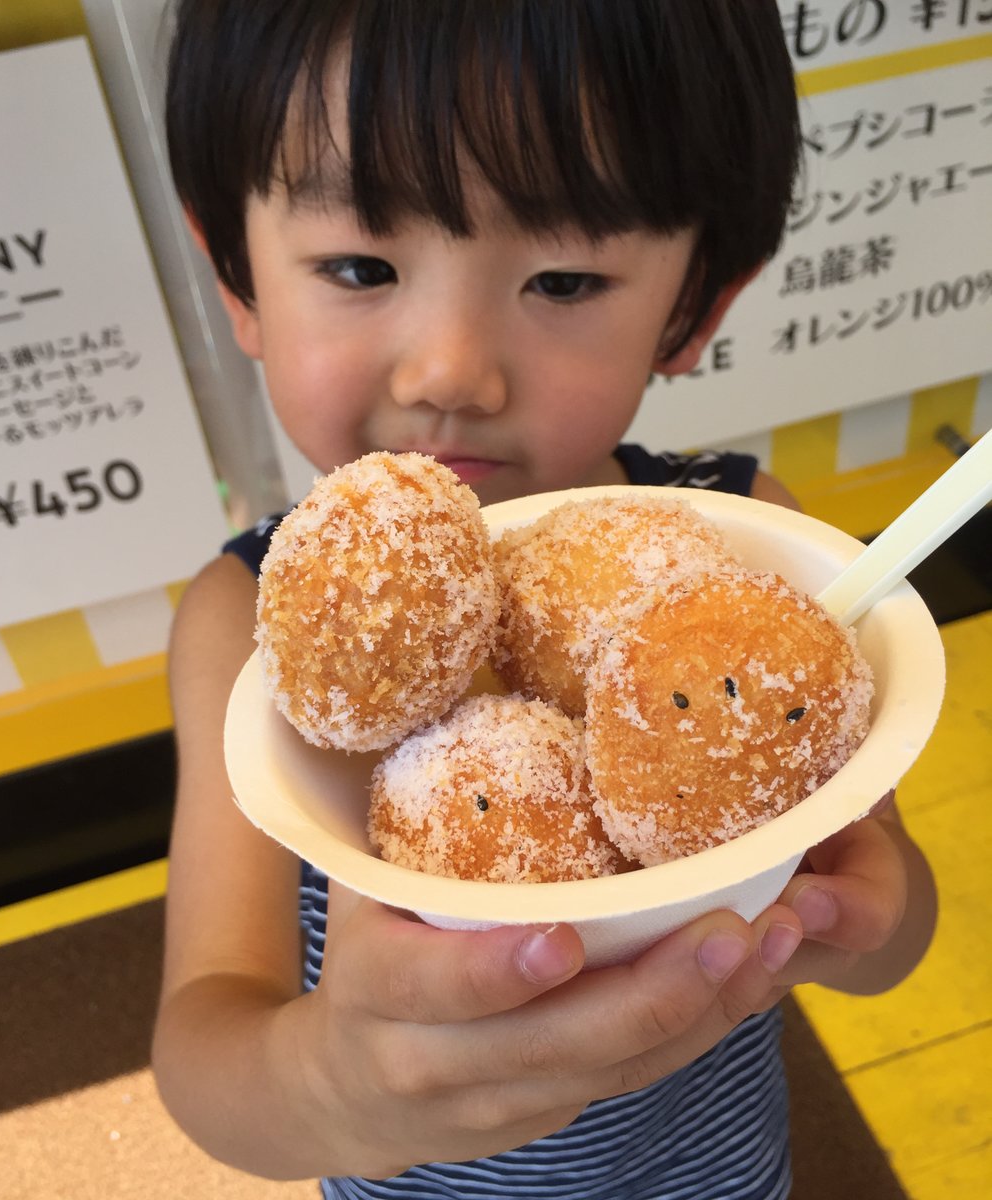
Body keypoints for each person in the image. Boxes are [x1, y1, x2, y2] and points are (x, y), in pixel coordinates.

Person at [152, 2, 938, 1197]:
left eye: (564, 278)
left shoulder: (749, 561)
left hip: (713, 1172)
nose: (450, 370)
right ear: (236, 276)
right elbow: (207, 1049)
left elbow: (896, 941)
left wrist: (854, 909)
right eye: (361, 266)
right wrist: (334, 1087)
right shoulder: (242, 617)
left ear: (695, 306)